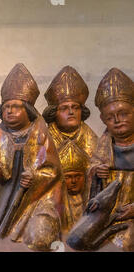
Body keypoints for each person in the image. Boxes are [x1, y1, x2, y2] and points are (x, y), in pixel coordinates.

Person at [0, 63, 62, 251]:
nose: (9, 111)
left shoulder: (39, 134)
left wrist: (35, 177)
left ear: (28, 110)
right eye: (6, 107)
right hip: (4, 200)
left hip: (37, 201)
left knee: (40, 238)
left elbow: (52, 170)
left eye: (16, 107)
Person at [42, 66, 98, 232]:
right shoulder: (44, 136)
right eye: (64, 108)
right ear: (54, 113)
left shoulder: (89, 135)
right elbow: (37, 167)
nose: (71, 112)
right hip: (53, 199)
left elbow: (98, 163)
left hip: (82, 197)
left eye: (75, 107)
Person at [88, 68, 134, 251]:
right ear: (102, 119)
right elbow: (91, 172)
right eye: (110, 117)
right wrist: (96, 172)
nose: (117, 120)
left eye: (123, 114)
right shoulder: (103, 144)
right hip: (109, 215)